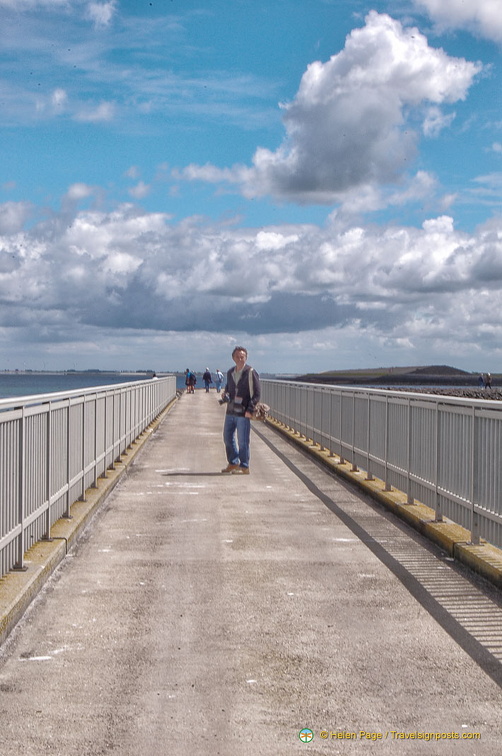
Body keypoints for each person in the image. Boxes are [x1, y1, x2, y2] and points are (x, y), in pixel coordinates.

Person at [221, 346, 260, 475]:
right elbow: (228, 387)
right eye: (237, 356)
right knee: (227, 437)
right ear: (233, 358)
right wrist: (225, 393)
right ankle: (233, 462)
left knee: (243, 441)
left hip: (243, 412)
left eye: (242, 356)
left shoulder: (251, 372)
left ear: (246, 357)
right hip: (230, 411)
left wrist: (250, 409)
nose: (240, 359)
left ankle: (244, 466)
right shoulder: (230, 372)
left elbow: (256, 394)